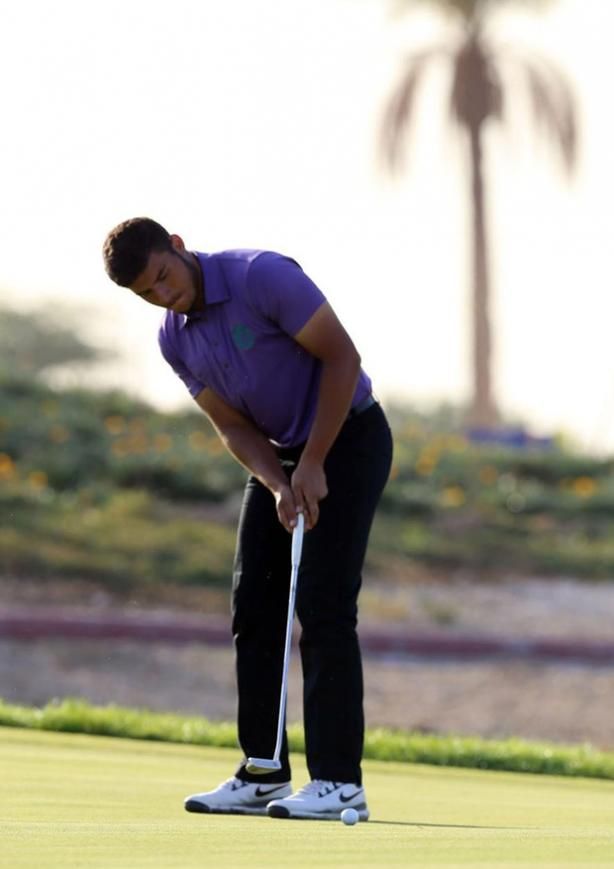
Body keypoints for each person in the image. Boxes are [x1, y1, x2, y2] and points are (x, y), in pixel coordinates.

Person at [102, 217, 393, 821]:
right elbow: (232, 426)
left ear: (177, 246)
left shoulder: (261, 276)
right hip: (279, 455)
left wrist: (314, 462)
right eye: (147, 293)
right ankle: (263, 769)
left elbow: (342, 358)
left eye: (164, 276)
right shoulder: (173, 338)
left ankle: (339, 781)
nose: (164, 295)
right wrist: (279, 483)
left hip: (350, 437)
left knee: (322, 604)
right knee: (254, 605)